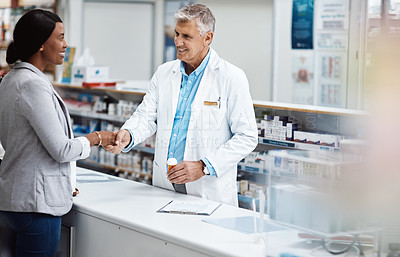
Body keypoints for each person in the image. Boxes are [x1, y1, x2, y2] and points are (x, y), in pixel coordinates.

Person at [107, 4, 258, 206]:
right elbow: (146, 116)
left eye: (186, 36)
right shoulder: (164, 73)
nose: (178, 41)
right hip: (164, 186)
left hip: (207, 190)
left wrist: (204, 166)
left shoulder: (231, 77)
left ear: (208, 38)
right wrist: (129, 134)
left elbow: (247, 136)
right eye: (177, 34)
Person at [0, 9, 115, 257]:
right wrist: (97, 138)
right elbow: (61, 150)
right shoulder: (32, 85)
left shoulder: (11, 79)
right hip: (35, 208)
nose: (65, 44)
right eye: (60, 37)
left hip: (15, 201)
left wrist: (61, 184)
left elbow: (26, 145)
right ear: (41, 43)